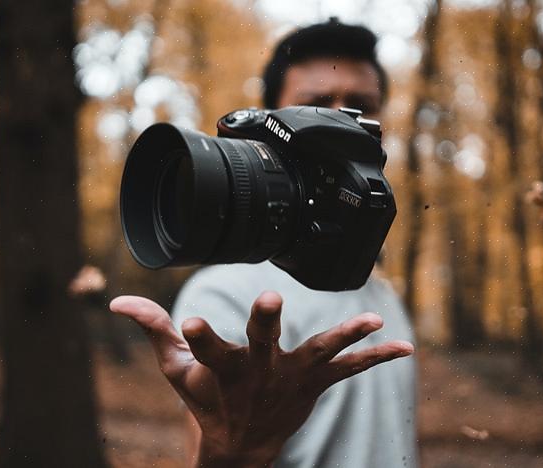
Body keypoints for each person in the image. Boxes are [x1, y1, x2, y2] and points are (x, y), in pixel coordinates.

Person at [110, 19, 418, 468]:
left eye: (360, 108)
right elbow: (213, 443)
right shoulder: (226, 292)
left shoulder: (381, 291)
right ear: (273, 119)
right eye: (318, 106)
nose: (342, 122)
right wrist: (235, 452)